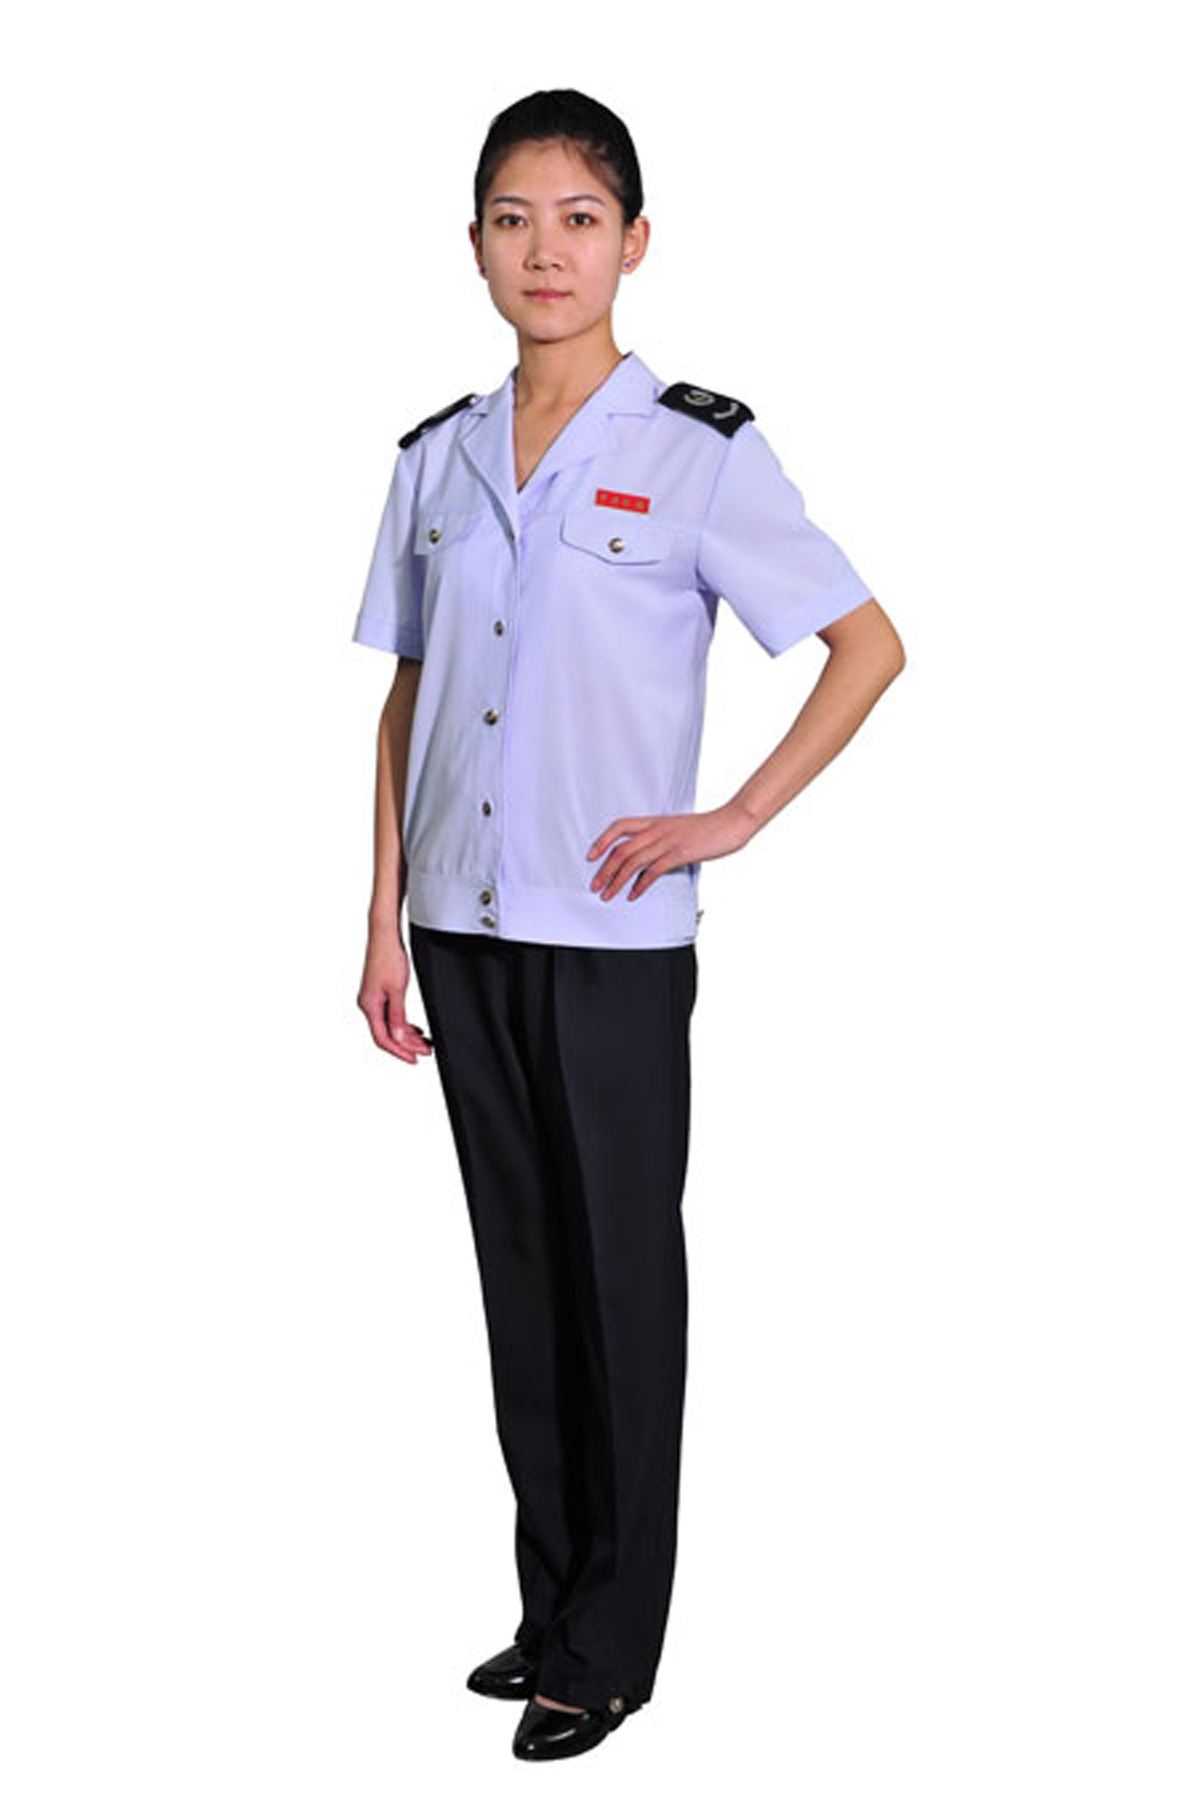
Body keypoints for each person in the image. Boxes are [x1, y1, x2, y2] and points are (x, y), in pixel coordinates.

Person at [352, 89, 905, 1763]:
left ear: (634, 243)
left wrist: (732, 816)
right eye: (514, 219)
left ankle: (613, 1647)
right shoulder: (435, 457)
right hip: (462, 923)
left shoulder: (698, 453)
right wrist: (380, 916)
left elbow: (867, 644)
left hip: (610, 940)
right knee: (521, 1278)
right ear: (473, 245)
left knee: (618, 1285)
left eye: (580, 218)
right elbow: (410, 700)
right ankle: (549, 1611)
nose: (547, 250)